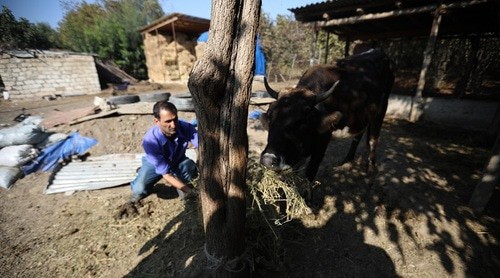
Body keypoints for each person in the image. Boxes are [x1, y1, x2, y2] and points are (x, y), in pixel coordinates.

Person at [129, 100, 198, 204]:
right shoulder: (150, 141)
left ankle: (181, 182)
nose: (173, 125)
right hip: (154, 164)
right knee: (139, 189)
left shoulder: (185, 127)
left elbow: (203, 146)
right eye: (168, 121)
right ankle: (143, 172)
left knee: (190, 166)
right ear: (157, 121)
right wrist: (191, 191)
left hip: (177, 160)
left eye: (175, 119)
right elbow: (166, 174)